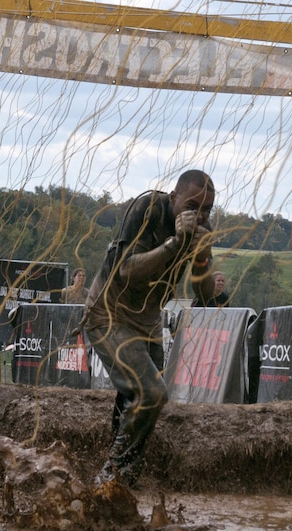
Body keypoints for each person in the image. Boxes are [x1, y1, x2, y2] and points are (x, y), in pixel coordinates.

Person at [80, 169, 218, 487]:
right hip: (108, 313)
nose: (198, 215)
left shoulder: (201, 230)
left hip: (148, 322)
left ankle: (119, 482)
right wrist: (173, 245)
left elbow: (206, 295)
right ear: (173, 199)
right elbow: (125, 269)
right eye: (191, 206)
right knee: (151, 393)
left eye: (207, 209)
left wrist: (201, 259)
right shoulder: (149, 210)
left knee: (138, 400)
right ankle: (113, 476)